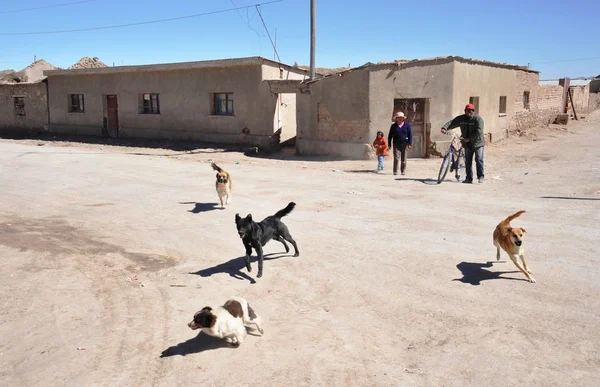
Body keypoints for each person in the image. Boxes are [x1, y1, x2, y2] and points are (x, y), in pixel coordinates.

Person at [440, 104, 485, 184]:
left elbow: (479, 131)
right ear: (465, 111)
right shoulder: (462, 118)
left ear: (473, 111)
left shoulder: (478, 119)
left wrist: (469, 138)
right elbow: (452, 122)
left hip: (477, 143)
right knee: (468, 161)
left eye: (471, 110)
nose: (469, 112)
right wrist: (444, 128)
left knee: (479, 159)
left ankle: (480, 176)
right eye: (467, 110)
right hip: (467, 144)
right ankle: (469, 178)